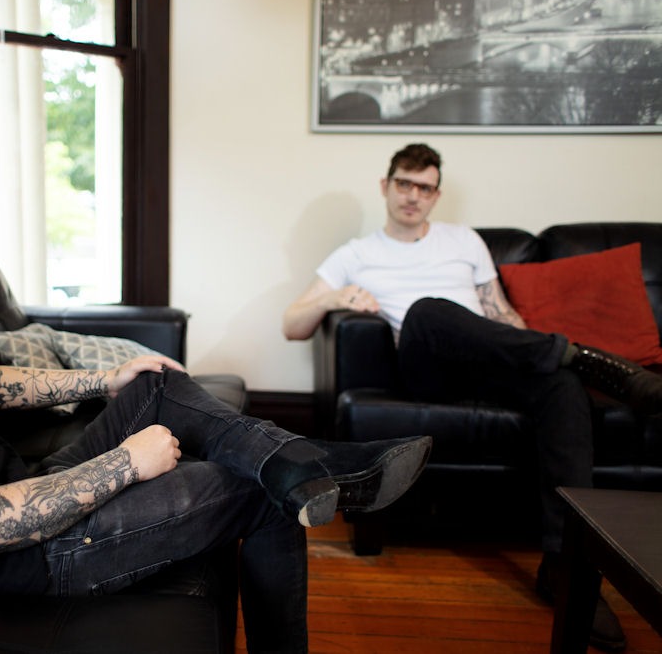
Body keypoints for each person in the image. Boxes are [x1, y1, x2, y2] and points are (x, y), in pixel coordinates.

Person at [0, 100, 432, 654]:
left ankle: (307, 466)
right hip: (15, 558)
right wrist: (125, 461)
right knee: (253, 488)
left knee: (151, 382)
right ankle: (320, 473)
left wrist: (106, 378)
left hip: (19, 489)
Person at [283, 142, 662, 652]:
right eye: (404, 184)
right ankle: (582, 355)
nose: (413, 196)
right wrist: (336, 296)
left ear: (436, 194)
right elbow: (292, 325)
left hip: (487, 360)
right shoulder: (357, 253)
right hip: (426, 365)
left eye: (425, 187)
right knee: (429, 310)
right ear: (386, 186)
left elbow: (500, 312)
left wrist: (527, 352)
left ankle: (565, 565)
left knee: (561, 384)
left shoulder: (464, 241)